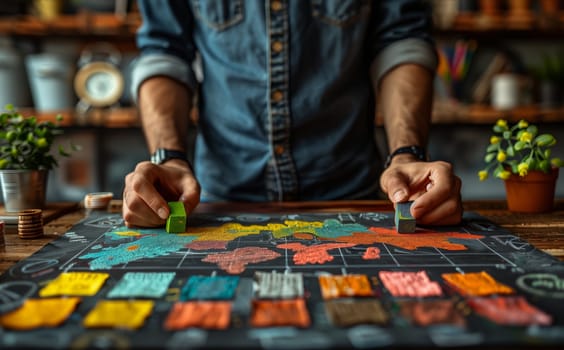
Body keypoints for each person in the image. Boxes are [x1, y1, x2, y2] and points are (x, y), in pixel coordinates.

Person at [123, 0, 463, 228]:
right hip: (215, 203)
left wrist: (407, 154)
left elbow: (402, 42)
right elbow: (164, 52)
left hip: (354, 195)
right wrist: (169, 159)